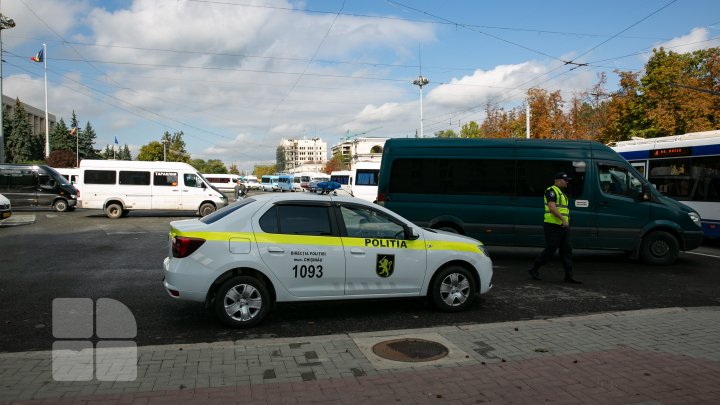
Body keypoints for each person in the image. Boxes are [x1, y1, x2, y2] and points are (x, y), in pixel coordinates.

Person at [528, 172, 581, 284]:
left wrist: (564, 222)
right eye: (565, 180)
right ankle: (534, 269)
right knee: (550, 250)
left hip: (562, 227)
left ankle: (568, 276)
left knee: (567, 250)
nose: (567, 182)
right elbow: (552, 207)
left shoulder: (561, 193)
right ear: (558, 180)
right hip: (553, 226)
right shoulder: (551, 191)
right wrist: (563, 220)